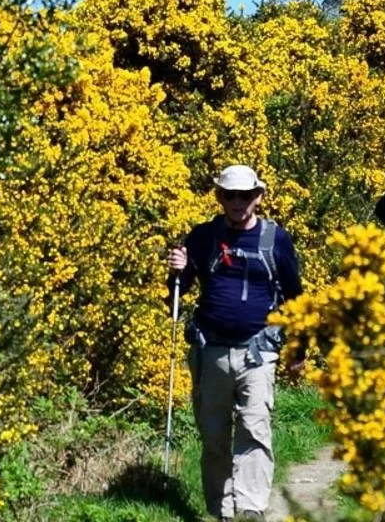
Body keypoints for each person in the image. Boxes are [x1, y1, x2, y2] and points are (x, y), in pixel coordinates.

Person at [168, 164, 303, 522]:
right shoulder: (203, 237)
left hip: (258, 352)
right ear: (219, 197)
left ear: (258, 197)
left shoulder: (276, 239)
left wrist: (298, 350)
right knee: (213, 437)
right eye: (231, 195)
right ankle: (223, 511)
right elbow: (177, 299)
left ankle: (251, 508)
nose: (238, 202)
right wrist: (177, 272)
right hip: (210, 349)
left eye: (245, 195)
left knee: (254, 429)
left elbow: (295, 297)